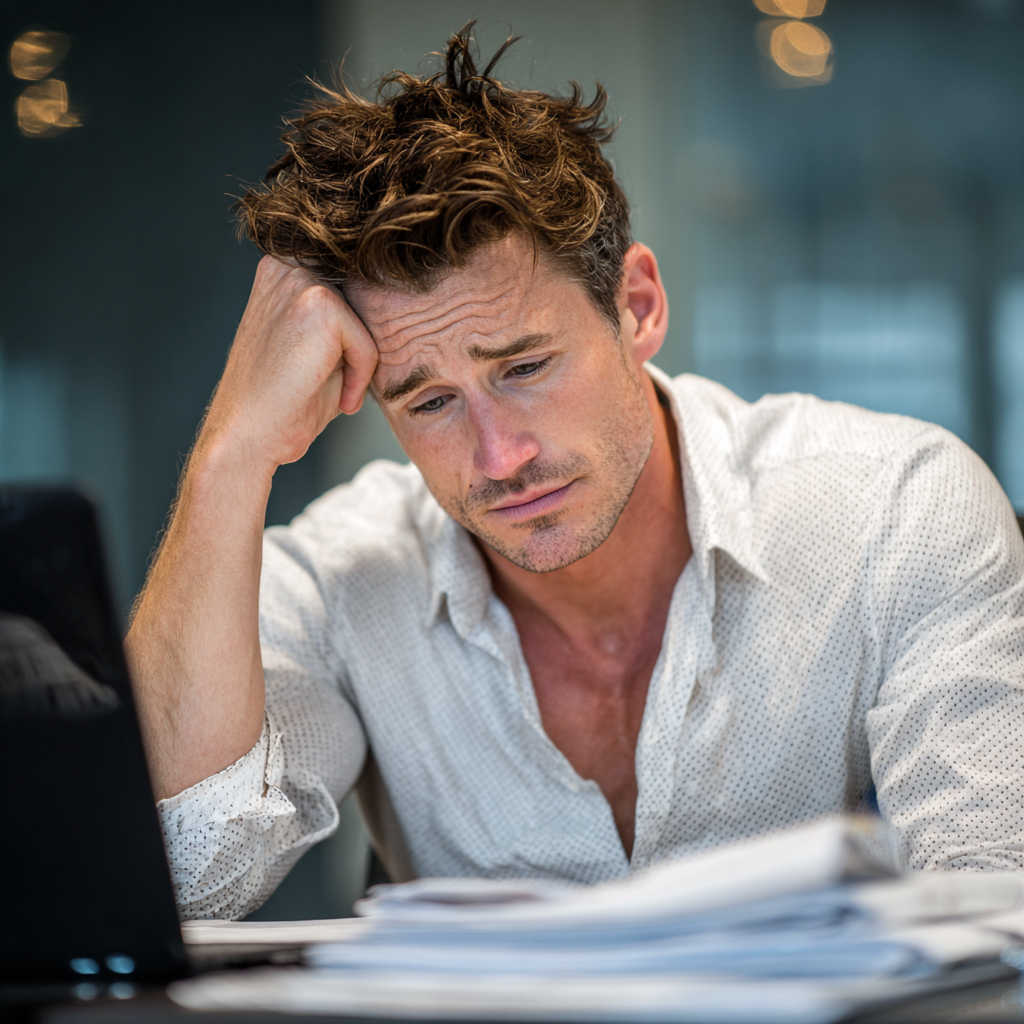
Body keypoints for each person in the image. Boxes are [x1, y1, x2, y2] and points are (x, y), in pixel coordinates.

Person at [126, 26, 1024, 921]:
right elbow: (187, 881)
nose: (500, 459)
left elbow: (996, 923)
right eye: (430, 402)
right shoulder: (337, 582)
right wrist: (229, 456)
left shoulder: (897, 511)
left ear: (637, 306)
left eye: (525, 368)